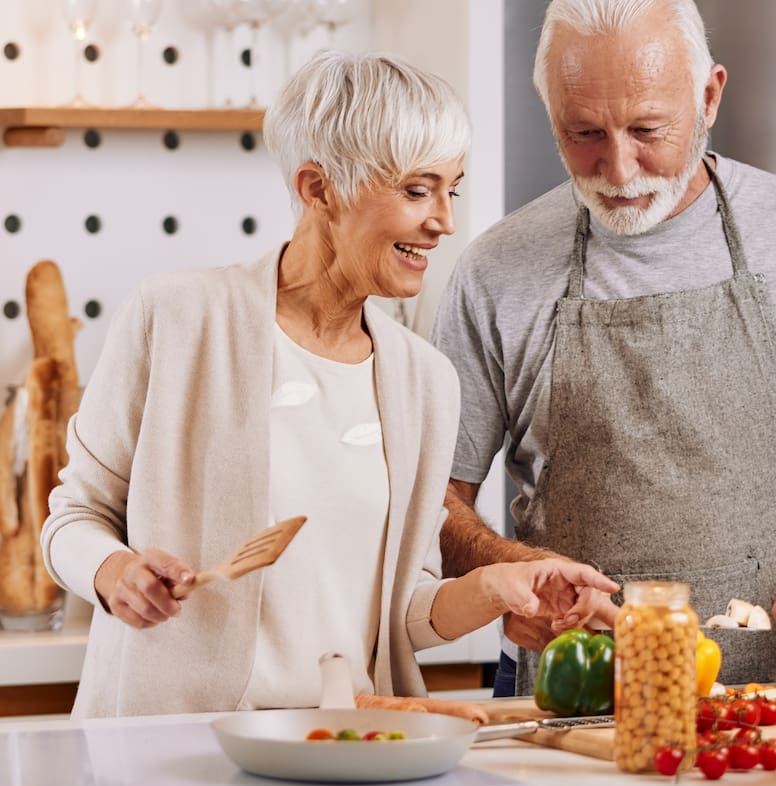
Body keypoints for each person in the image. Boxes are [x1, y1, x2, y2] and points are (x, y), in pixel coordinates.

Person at [40, 50, 617, 719]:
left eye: (450, 190)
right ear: (318, 190)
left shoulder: (423, 380)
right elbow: (73, 517)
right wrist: (114, 574)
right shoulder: (175, 318)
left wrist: (499, 587)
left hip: (345, 746)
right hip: (173, 745)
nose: (444, 221)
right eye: (416, 190)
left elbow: (404, 611)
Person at [431, 0, 776, 696]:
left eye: (647, 129)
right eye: (583, 132)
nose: (619, 168)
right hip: (582, 702)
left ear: (709, 96)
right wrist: (507, 573)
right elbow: (433, 500)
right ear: (548, 106)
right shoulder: (494, 270)